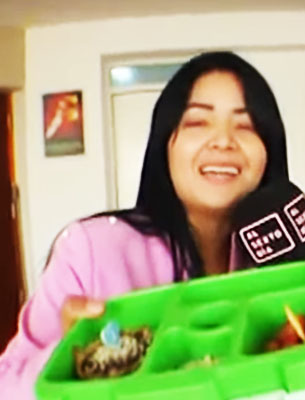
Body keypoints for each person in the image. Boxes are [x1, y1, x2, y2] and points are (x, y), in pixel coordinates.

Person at [0, 51, 289, 399]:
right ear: (164, 143)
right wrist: (65, 362)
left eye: (247, 126)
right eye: (198, 122)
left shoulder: (279, 261)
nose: (224, 140)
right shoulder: (91, 250)